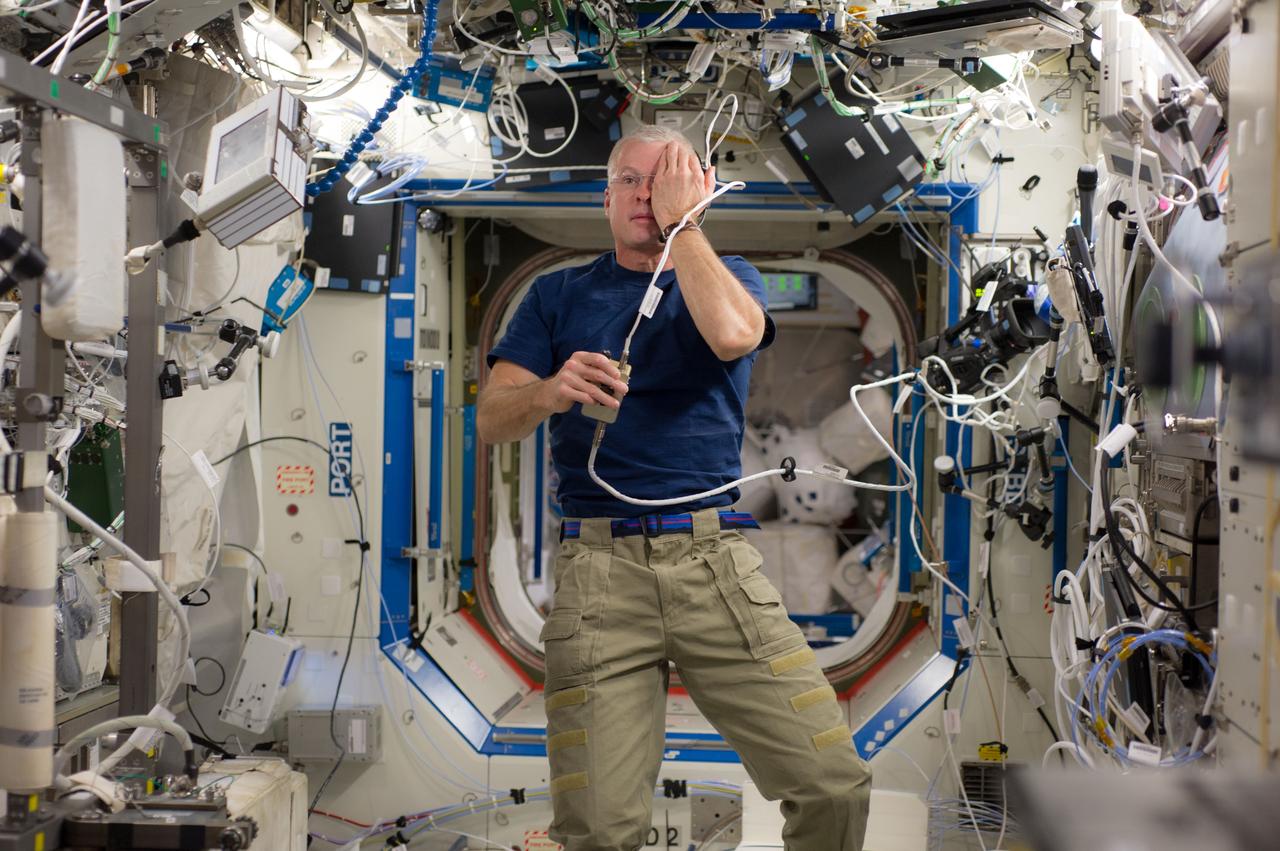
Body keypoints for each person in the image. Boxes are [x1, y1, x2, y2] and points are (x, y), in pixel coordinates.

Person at [477, 124, 872, 851]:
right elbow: (493, 419)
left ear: (696, 188)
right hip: (598, 575)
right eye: (630, 179)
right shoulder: (554, 295)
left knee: (832, 782)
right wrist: (551, 390)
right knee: (597, 831)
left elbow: (730, 335)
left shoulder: (733, 278)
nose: (644, 195)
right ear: (605, 197)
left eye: (665, 179)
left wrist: (684, 224)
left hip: (714, 563)